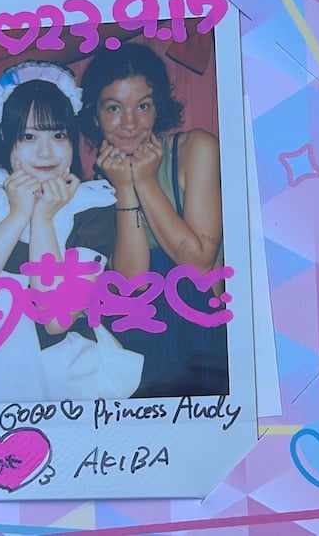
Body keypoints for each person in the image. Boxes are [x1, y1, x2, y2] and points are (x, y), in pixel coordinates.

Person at [0, 61, 143, 404]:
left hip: (60, 372)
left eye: (58, 135)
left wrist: (42, 219)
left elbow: (55, 318)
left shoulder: (91, 206)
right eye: (28, 136)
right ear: (6, 137)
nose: (45, 151)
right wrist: (17, 215)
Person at [80, 42, 229, 398]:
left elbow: (198, 263)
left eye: (143, 106)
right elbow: (132, 284)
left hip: (200, 348)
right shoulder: (94, 187)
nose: (130, 123)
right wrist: (125, 188)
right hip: (140, 353)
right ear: (95, 114)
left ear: (158, 106)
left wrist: (145, 181)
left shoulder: (196, 149)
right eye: (114, 107)